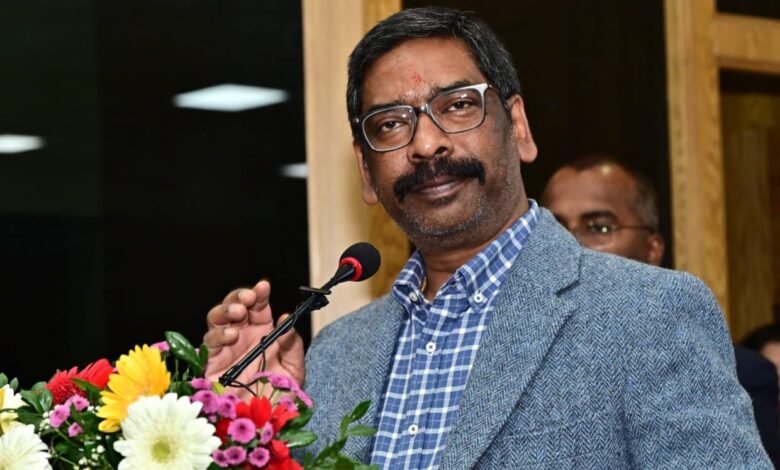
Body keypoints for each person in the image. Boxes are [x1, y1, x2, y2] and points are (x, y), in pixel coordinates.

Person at [204, 7, 770, 468]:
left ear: (518, 127)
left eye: (457, 106)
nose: (425, 144)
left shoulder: (649, 314)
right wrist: (259, 429)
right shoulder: (337, 352)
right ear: (366, 172)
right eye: (391, 124)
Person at [542, 155, 780, 465]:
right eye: (555, 229)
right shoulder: (511, 358)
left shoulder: (741, 373)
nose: (572, 245)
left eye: (599, 228)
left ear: (653, 249)